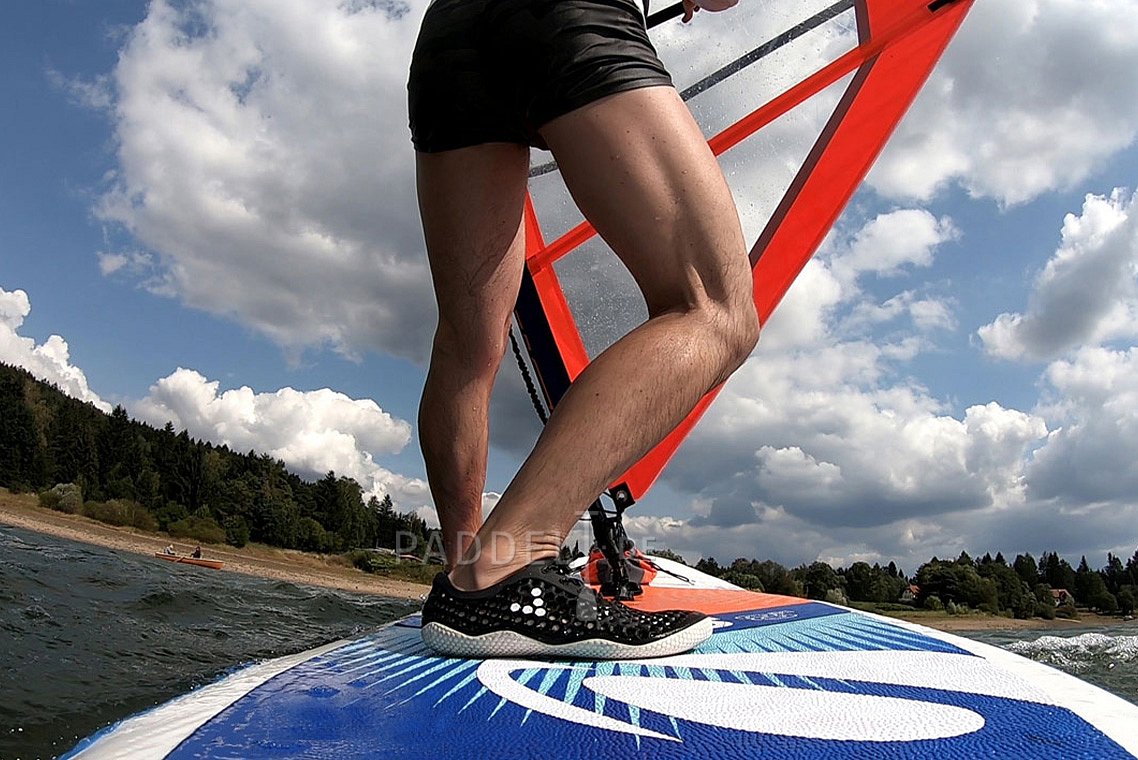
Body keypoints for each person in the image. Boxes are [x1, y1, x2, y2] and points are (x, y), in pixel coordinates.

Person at [409, 0, 758, 659]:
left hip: (449, 36)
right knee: (715, 311)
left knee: (467, 343)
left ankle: (465, 582)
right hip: (562, 17)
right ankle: (506, 567)